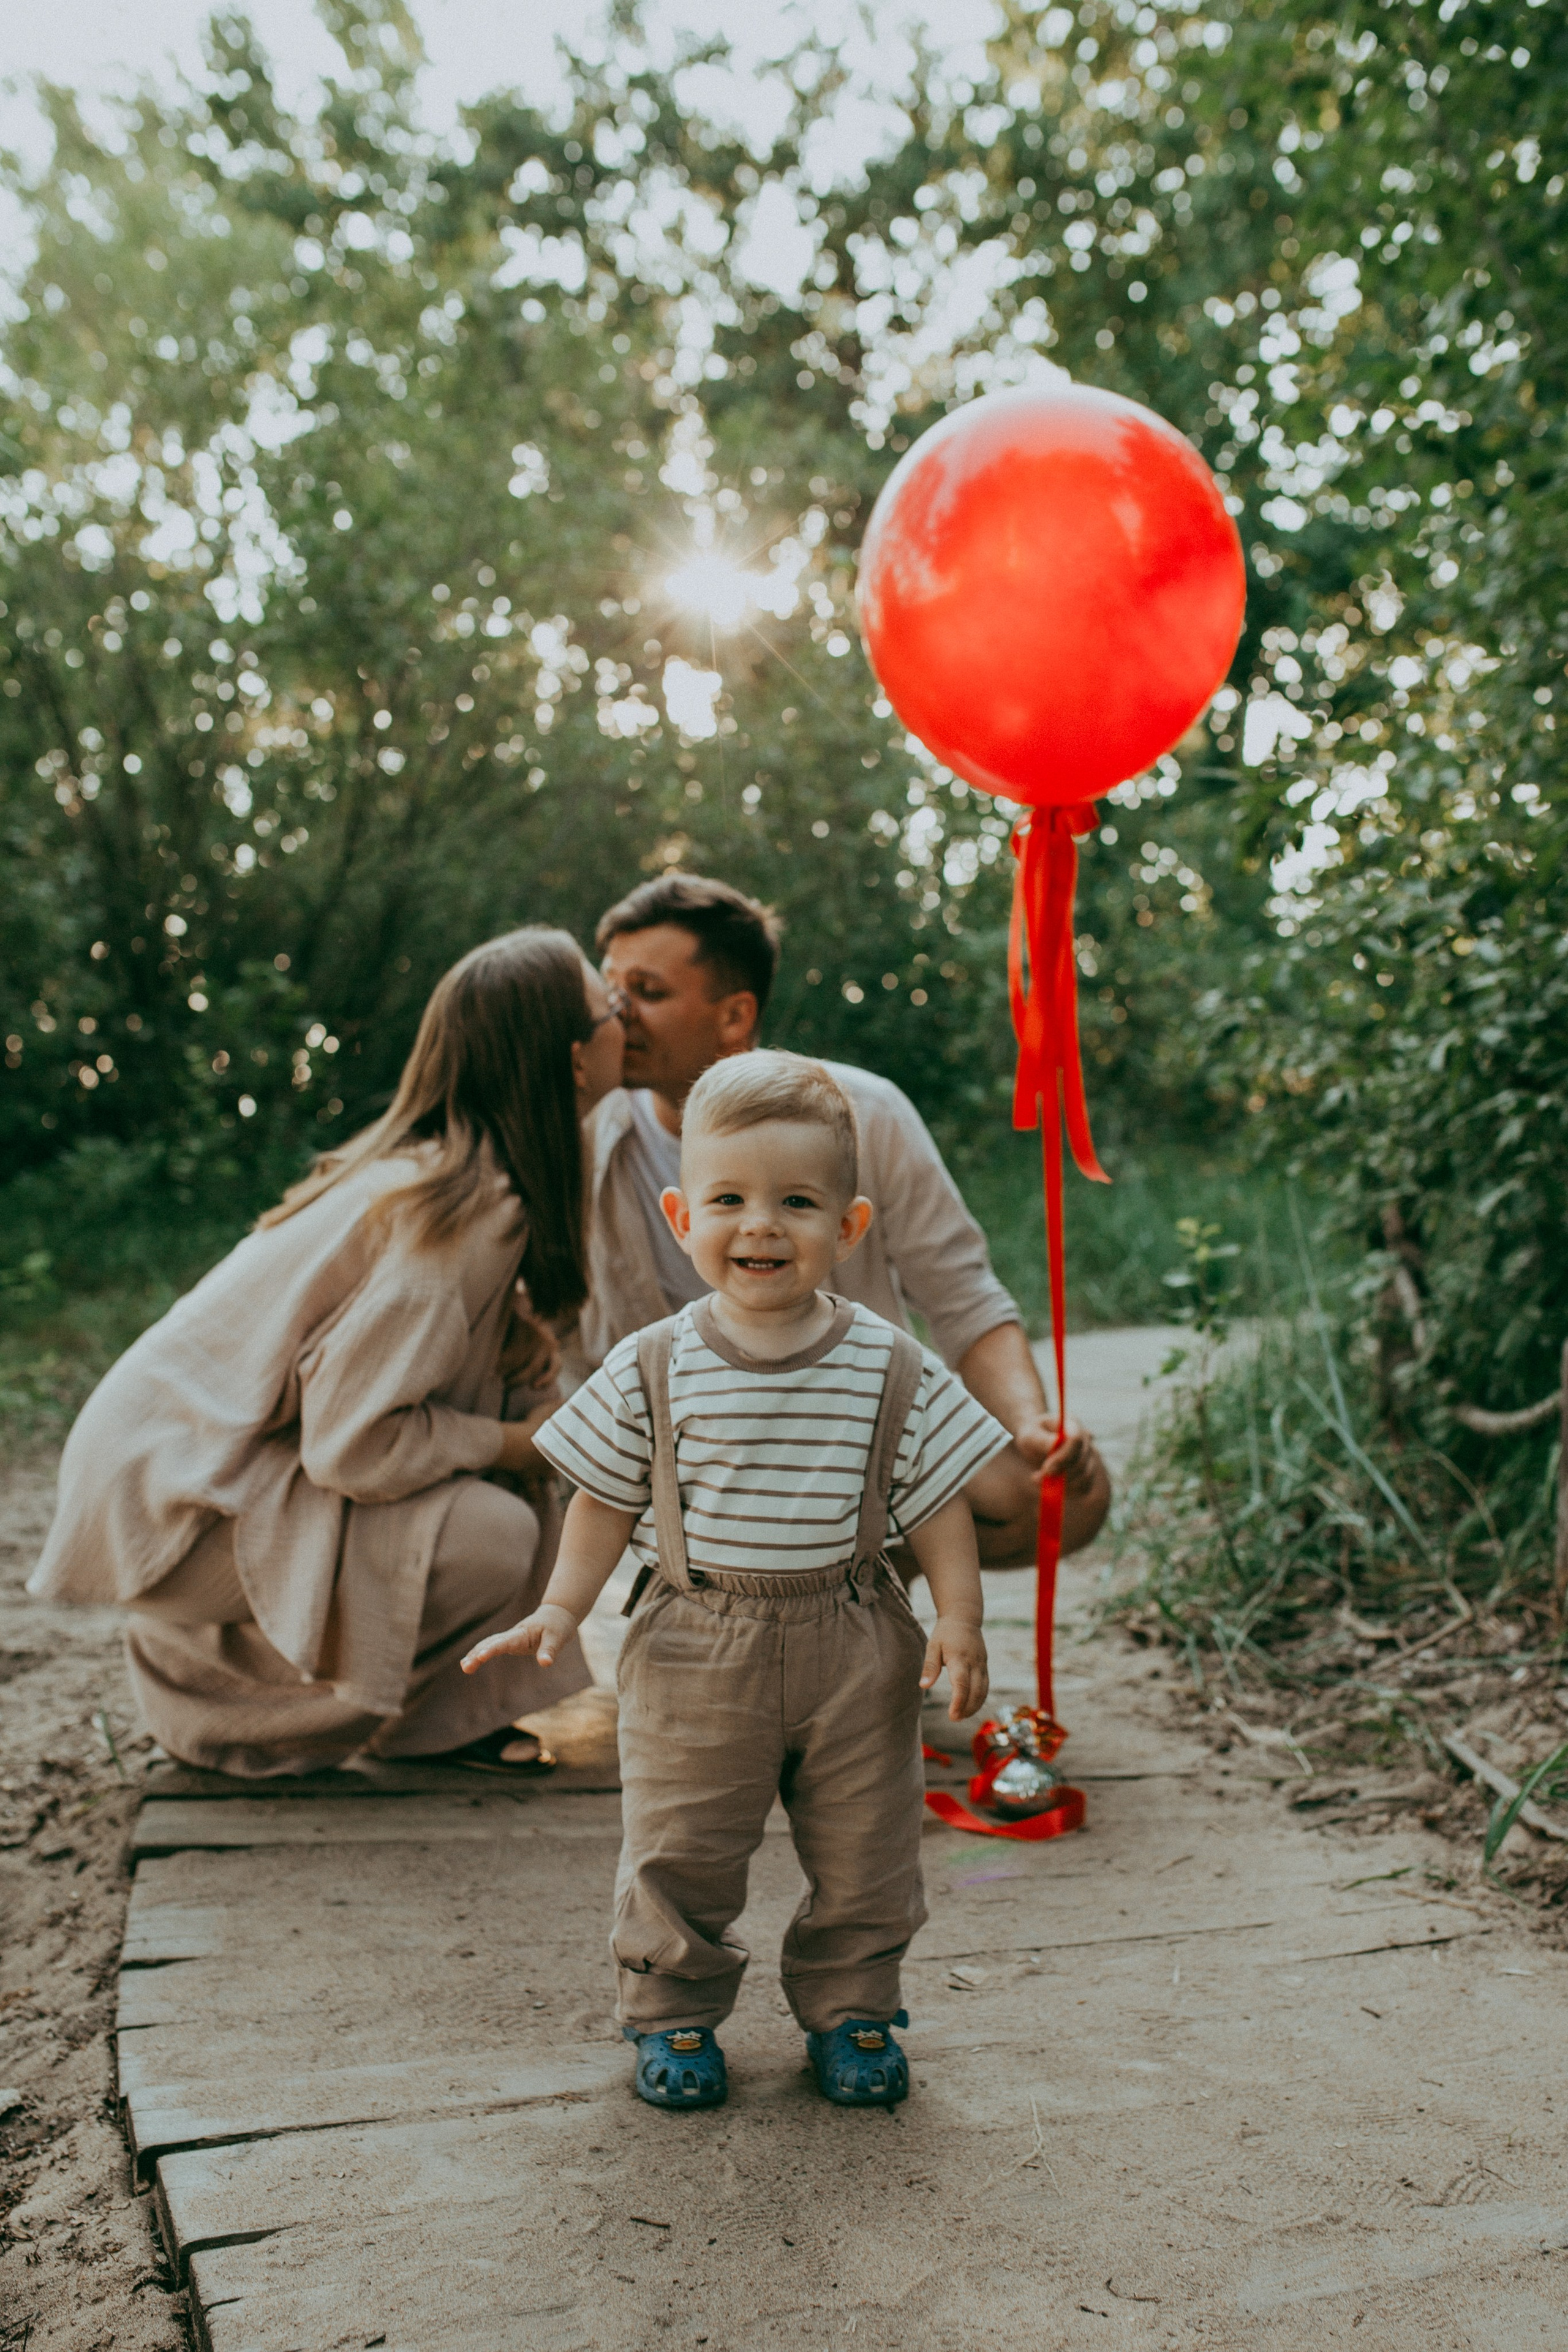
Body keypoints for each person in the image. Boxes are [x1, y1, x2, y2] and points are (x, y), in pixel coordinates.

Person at [464, 1052, 1009, 2110]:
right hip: (693, 1637)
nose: (760, 1226)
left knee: (869, 1843)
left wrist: (963, 1616)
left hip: (854, 1638)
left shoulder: (889, 1362)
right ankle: (673, 2014)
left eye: (796, 1202)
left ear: (849, 1226)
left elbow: (937, 1496)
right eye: (729, 1200)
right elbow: (602, 1500)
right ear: (682, 1216)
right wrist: (561, 1606)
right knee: (681, 1840)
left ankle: (854, 2009)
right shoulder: (652, 1363)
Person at [28, 927, 625, 1780]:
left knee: (506, 1498)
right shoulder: (454, 1222)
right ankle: (235, 1703)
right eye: (615, 1006)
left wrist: (504, 1349)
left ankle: (433, 1720)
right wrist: (511, 1443)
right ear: (573, 1059)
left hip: (199, 1477)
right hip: (179, 1512)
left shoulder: (452, 1176)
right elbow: (350, 1442)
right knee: (494, 1533)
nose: (627, 1019)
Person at [581, 871, 1110, 1565]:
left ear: (735, 1016)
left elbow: (963, 1297)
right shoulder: (588, 1132)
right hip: (688, 1456)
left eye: (646, 993)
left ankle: (864, 1576)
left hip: (849, 1423)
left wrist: (1029, 1424)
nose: (615, 1015)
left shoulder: (866, 1112)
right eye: (609, 990)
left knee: (1065, 1503)